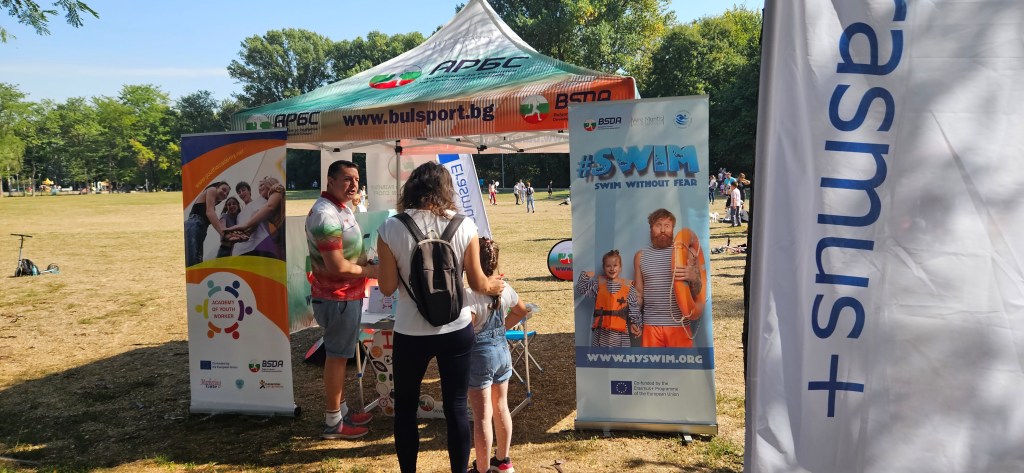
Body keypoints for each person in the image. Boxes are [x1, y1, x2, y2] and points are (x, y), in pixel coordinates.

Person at [376, 162, 505, 473]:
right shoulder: (465, 225)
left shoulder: (391, 227)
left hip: (410, 331)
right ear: (446, 189)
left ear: (411, 188)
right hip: (456, 328)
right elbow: (477, 283)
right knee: (457, 408)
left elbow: (388, 287)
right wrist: (494, 285)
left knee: (405, 409)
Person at [305, 160, 379, 440]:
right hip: (337, 297)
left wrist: (367, 262)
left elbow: (348, 254)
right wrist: (371, 271)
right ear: (330, 180)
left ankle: (342, 410)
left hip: (347, 294)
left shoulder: (341, 208)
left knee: (342, 354)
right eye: (347, 179)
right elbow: (336, 266)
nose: (354, 184)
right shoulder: (325, 215)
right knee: (337, 358)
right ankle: (334, 421)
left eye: (357, 179)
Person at [464, 237, 530, 473]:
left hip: (479, 355)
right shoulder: (504, 287)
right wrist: (502, 328)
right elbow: (521, 311)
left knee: (482, 416)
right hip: (502, 351)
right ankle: (503, 460)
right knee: (501, 406)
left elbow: (467, 330)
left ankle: (482, 469)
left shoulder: (470, 294)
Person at [633, 209, 706, 348]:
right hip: (651, 326)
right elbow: (639, 294)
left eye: (667, 226)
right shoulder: (640, 257)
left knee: (682, 363)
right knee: (652, 363)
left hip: (679, 326)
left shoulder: (687, 254)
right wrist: (635, 319)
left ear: (673, 229)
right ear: (651, 228)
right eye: (658, 225)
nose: (662, 230)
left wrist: (693, 278)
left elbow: (698, 293)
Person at [575, 249, 640, 348]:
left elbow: (634, 307)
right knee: (600, 357)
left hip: (621, 336)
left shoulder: (628, 287)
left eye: (615, 265)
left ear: (620, 267)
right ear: (603, 267)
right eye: (608, 266)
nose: (612, 269)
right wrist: (585, 276)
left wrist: (636, 323)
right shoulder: (598, 285)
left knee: (620, 357)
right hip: (601, 334)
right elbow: (581, 289)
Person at [229, 176, 285, 258]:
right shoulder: (239, 215)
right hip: (241, 251)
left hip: (261, 245)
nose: (241, 193)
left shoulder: (263, 199)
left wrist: (246, 228)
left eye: (243, 190)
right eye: (239, 192)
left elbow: (268, 209)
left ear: (249, 190)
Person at [184, 181, 230, 266]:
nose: (225, 194)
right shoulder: (212, 189)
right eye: (224, 190)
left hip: (200, 230)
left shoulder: (212, 207)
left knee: (196, 262)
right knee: (192, 262)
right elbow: (209, 213)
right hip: (194, 225)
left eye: (227, 194)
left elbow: (215, 219)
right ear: (217, 187)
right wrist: (223, 234)